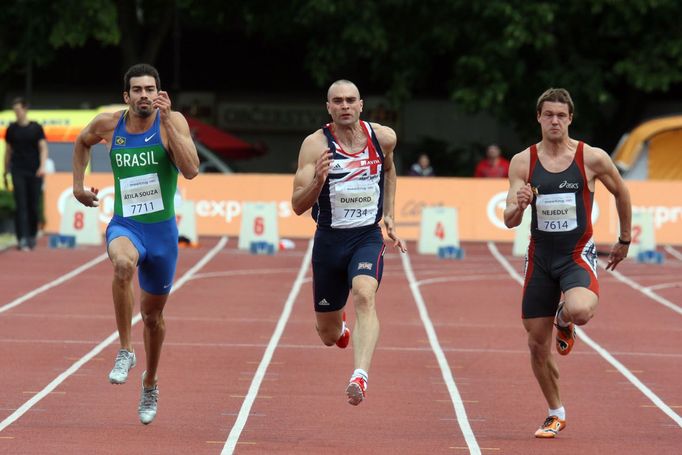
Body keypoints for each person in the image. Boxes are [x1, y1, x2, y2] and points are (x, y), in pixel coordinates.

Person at [72, 63, 199, 424]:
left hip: (162, 234)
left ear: (159, 93)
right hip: (126, 225)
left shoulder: (172, 123)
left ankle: (150, 381)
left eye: (150, 89)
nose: (145, 95)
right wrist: (78, 185)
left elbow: (190, 171)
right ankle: (125, 350)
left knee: (154, 318)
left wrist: (171, 123)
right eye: (138, 90)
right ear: (126, 96)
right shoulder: (108, 124)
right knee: (123, 264)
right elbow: (82, 142)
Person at [503, 88, 631, 438]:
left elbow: (621, 191)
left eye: (561, 115)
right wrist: (520, 203)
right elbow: (509, 220)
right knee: (536, 344)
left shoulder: (591, 158)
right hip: (540, 259)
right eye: (548, 115)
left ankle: (564, 317)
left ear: (570, 118)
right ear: (539, 118)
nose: (555, 120)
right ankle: (555, 412)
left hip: (576, 256)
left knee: (581, 311)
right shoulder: (522, 161)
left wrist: (624, 238)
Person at [292, 79, 407, 406]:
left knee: (364, 294)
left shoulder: (383, 138)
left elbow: (389, 170)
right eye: (337, 101)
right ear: (328, 107)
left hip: (366, 237)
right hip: (329, 242)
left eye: (350, 100)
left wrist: (390, 216)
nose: (344, 106)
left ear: (361, 105)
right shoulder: (315, 146)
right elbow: (297, 205)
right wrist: (318, 181)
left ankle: (360, 374)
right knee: (328, 336)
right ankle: (340, 329)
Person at [3, 98, 49, 251]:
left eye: (18, 110)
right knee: (21, 204)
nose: (16, 113)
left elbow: (43, 148)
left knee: (33, 205)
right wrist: (5, 169)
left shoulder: (36, 128)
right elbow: (8, 150)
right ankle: (21, 238)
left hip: (35, 170)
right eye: (14, 111)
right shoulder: (11, 129)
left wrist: (42, 166)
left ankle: (31, 235)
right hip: (18, 170)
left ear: (25, 109)